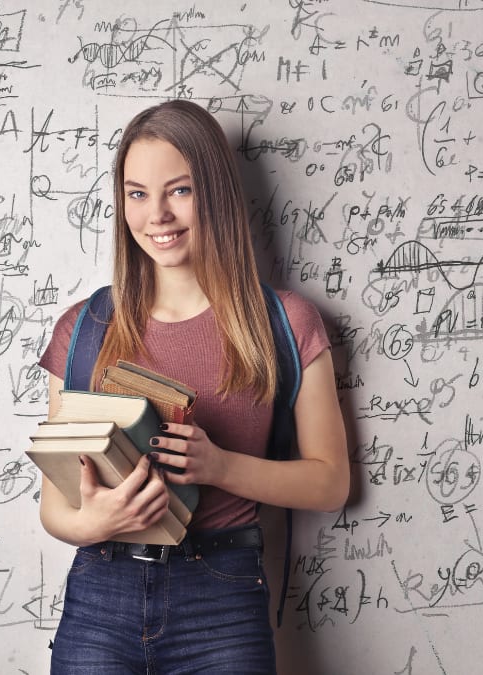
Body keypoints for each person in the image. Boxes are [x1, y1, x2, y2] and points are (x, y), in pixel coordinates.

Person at [35, 99, 349, 674]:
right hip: (100, 593)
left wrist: (219, 466)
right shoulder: (82, 329)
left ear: (216, 193)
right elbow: (57, 505)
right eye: (136, 193)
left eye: (179, 190)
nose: (156, 215)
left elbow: (331, 483)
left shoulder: (287, 323)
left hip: (223, 600)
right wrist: (96, 523)